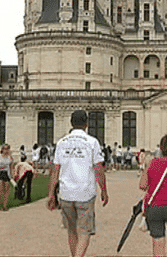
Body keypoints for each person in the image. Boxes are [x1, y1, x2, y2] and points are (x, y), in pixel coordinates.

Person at [48, 110, 108, 257]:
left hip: (66, 193)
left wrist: (51, 194)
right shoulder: (92, 142)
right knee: (85, 231)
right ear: (86, 124)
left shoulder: (62, 143)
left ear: (71, 123)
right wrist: (104, 190)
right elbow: (99, 169)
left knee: (72, 230)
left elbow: (55, 170)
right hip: (84, 193)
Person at [0, 144, 14, 211]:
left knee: (6, 190)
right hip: (0, 172)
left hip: (7, 173)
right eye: (5, 149)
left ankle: (5, 205)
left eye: (7, 149)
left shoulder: (10, 158)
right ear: (2, 150)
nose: (6, 150)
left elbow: (11, 167)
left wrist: (12, 175)